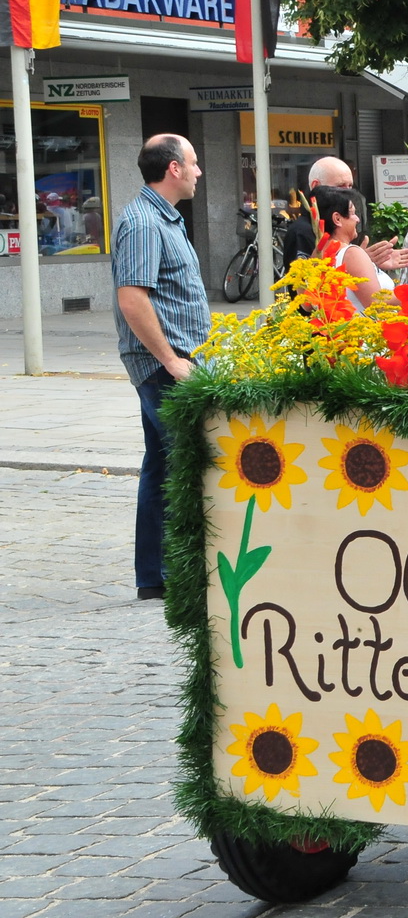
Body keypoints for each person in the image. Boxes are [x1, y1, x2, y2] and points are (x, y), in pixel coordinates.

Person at [112, 135, 211, 600]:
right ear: (173, 168)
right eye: (193, 163)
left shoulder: (164, 218)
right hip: (164, 366)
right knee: (187, 463)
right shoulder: (144, 222)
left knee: (162, 465)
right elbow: (132, 298)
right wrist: (171, 360)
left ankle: (156, 578)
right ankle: (179, 575)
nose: (198, 171)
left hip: (174, 361)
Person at [305, 155, 408, 272]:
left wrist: (365, 260)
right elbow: (307, 285)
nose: (349, 194)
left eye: (350, 186)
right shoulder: (304, 231)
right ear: (316, 186)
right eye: (340, 187)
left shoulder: (350, 225)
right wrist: (359, 261)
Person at [312, 186, 391, 310]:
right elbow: (376, 303)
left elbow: (307, 305)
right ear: (337, 219)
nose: (357, 219)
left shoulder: (317, 254)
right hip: (362, 327)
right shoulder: (351, 253)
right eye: (353, 213)